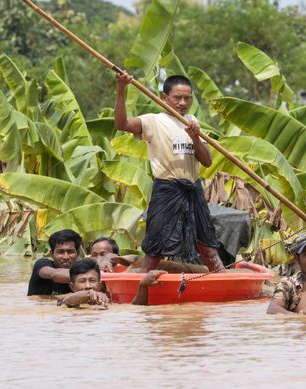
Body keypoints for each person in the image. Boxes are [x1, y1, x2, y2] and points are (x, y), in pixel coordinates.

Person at [114, 72, 224, 273]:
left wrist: (196, 138)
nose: (183, 102)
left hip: (193, 188)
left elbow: (207, 161)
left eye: (187, 98)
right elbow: (122, 124)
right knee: (156, 246)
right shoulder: (153, 121)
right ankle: (143, 282)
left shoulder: (192, 121)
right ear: (165, 98)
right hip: (167, 189)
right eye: (177, 98)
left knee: (207, 243)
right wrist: (122, 88)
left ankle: (222, 279)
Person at [58, 258, 168, 307]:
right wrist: (89, 294)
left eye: (92, 281)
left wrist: (143, 285)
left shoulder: (106, 301)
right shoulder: (67, 299)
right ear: (72, 286)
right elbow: (67, 301)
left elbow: (136, 309)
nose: (88, 286)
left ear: (100, 284)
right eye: (82, 281)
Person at [27, 229, 83, 296]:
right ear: (52, 254)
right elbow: (55, 274)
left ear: (78, 253)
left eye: (70, 251)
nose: (66, 257)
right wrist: (92, 277)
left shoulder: (83, 269)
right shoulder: (42, 264)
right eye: (60, 252)